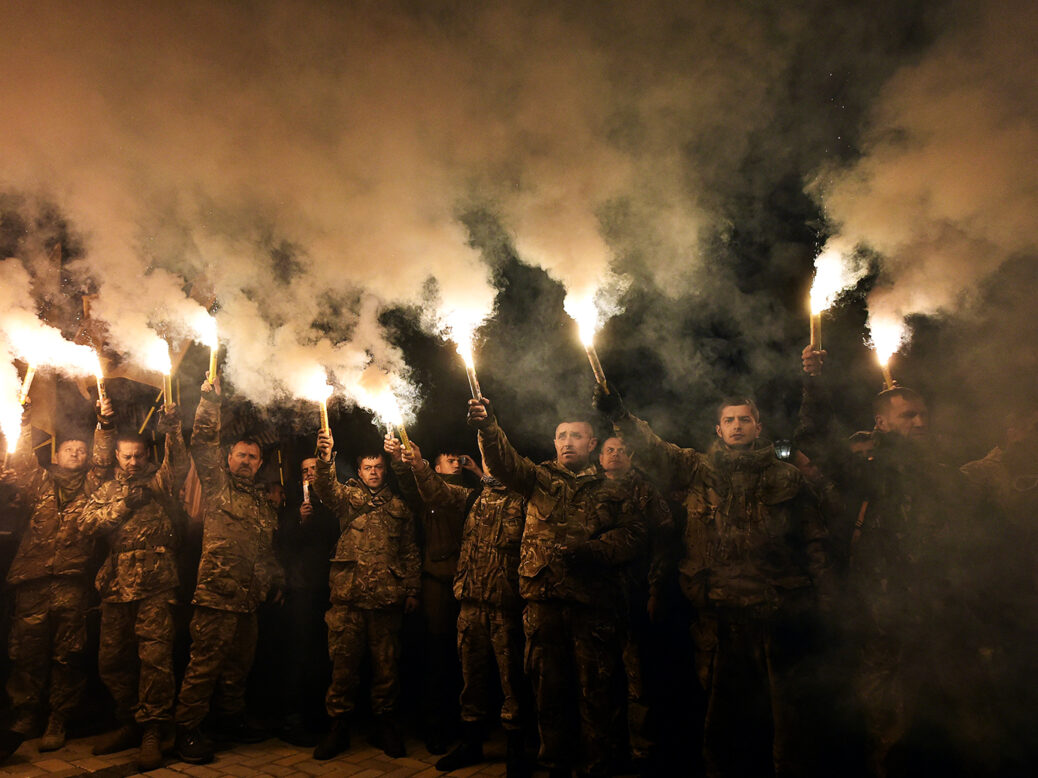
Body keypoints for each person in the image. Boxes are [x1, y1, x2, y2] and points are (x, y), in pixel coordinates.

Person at [595, 385, 828, 778]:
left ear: (758, 427)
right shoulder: (698, 469)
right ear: (718, 429)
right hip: (718, 618)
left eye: (745, 420)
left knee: (787, 717)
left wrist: (826, 601)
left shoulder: (786, 477)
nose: (737, 426)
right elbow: (654, 448)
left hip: (776, 615)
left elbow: (814, 541)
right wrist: (619, 415)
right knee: (723, 720)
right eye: (729, 420)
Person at [468, 397, 644, 778]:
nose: (567, 442)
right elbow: (502, 461)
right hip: (543, 607)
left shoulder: (611, 489)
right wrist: (487, 426)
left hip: (592, 609)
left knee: (596, 695)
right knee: (548, 695)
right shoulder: (537, 479)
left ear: (591, 444)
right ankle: (555, 767)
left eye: (576, 436)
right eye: (561, 436)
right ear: (554, 443)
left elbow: (634, 535)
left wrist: (595, 550)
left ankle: (596, 767)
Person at [393, 437, 529, 777]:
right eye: (488, 460)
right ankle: (471, 742)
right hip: (470, 601)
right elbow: (436, 491)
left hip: (505, 602)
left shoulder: (526, 500)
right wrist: (418, 463)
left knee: (512, 677)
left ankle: (518, 746)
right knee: (471, 676)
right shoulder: (472, 498)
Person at [174, 374, 284, 765]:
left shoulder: (262, 503)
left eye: (253, 457)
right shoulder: (218, 487)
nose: (246, 461)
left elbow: (264, 549)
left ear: (259, 464)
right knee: (204, 666)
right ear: (229, 459)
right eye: (241, 455)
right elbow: (202, 443)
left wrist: (276, 578)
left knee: (238, 667)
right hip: (217, 597)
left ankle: (230, 720)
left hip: (248, 599)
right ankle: (187, 729)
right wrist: (210, 403)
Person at [0, 396, 115, 762]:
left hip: (72, 583)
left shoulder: (93, 487)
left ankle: (58, 719)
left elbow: (103, 459)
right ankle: (24, 716)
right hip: (32, 582)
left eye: (81, 450)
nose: (76, 454)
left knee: (68, 655)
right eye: (69, 449)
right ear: (57, 453)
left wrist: (104, 425)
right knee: (27, 654)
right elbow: (22, 459)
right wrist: (23, 420)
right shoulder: (39, 483)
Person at [77, 405, 189, 771]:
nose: (133, 462)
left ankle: (154, 730)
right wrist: (124, 504)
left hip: (157, 584)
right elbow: (87, 524)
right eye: (127, 456)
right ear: (116, 456)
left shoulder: (160, 482)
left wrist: (172, 431)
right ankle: (129, 722)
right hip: (116, 586)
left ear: (147, 455)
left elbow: (179, 463)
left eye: (139, 456)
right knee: (112, 662)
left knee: (155, 660)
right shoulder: (106, 489)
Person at [310, 432, 420, 761]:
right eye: (368, 468)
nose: (373, 472)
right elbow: (324, 487)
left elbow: (409, 550)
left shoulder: (399, 507)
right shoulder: (347, 498)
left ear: (385, 470)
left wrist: (412, 588)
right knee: (343, 668)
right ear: (359, 471)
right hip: (348, 599)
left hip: (386, 600)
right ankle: (338, 727)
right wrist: (324, 458)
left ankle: (385, 725)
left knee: (387, 669)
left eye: (379, 467)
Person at [597, 435, 674, 775]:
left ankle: (641, 750)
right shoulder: (588, 489)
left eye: (623, 450)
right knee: (600, 676)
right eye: (610, 450)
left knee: (637, 675)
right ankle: (606, 748)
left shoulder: (645, 491)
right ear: (600, 457)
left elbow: (663, 543)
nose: (616, 455)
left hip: (635, 594)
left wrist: (656, 589)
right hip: (596, 598)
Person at [391, 448, 466, 753]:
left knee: (464, 658)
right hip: (437, 585)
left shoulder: (469, 495)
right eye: (450, 460)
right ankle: (435, 727)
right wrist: (400, 462)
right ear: (435, 468)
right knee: (436, 656)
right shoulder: (427, 497)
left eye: (459, 459)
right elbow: (411, 488)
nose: (457, 463)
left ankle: (465, 723)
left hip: (467, 587)